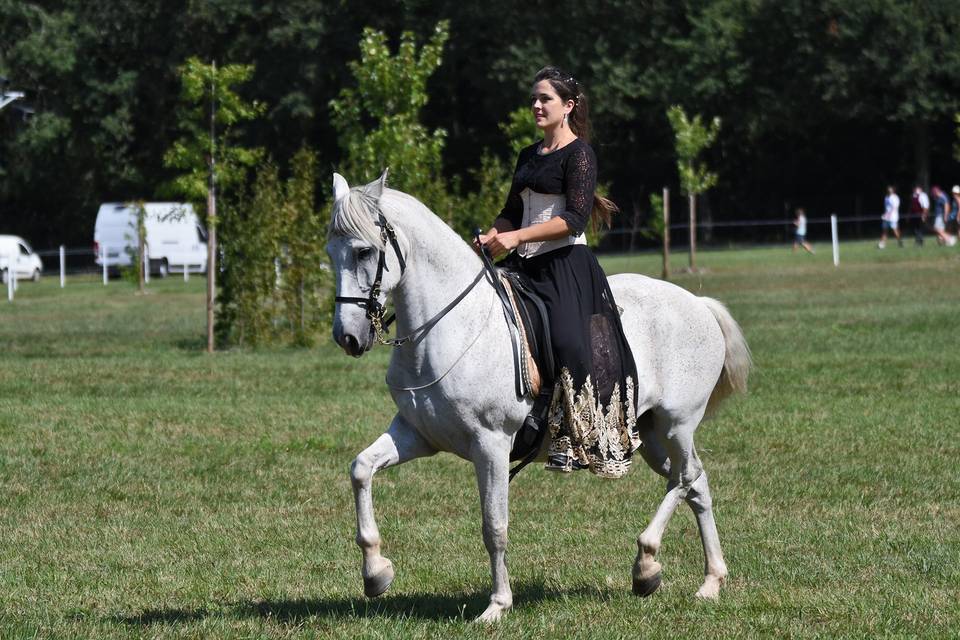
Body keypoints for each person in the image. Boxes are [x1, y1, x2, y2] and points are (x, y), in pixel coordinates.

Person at [478, 66, 638, 476]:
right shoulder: (527, 155)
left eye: (545, 99)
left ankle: (569, 435)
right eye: (533, 98)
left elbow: (574, 220)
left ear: (567, 107)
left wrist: (515, 238)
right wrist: (491, 236)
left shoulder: (580, 154)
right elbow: (511, 212)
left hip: (566, 264)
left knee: (569, 340)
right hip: (523, 264)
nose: (536, 105)